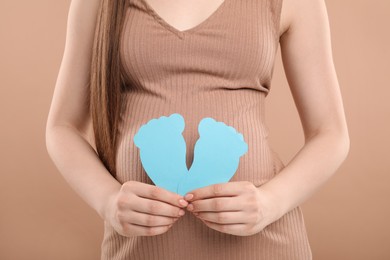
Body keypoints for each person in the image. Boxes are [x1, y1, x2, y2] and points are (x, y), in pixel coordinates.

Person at [45, 0, 350, 259]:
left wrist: (270, 204)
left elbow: (330, 133)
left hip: (262, 246)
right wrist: (108, 200)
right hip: (141, 249)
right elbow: (62, 127)